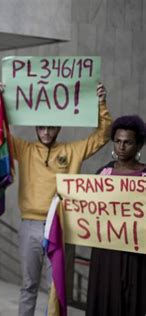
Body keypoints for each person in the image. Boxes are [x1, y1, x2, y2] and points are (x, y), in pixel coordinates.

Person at [0, 82, 112, 316]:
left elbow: (103, 135)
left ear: (59, 127)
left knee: (56, 289)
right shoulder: (25, 149)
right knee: (28, 286)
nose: (46, 132)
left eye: (52, 127)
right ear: (36, 127)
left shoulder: (73, 150)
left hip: (61, 225)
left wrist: (101, 102)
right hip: (29, 225)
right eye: (42, 127)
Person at [86, 115, 145, 316]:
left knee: (132, 300)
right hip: (106, 251)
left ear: (139, 145)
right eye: (118, 141)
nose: (121, 147)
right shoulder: (103, 173)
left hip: (136, 254)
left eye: (128, 142)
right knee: (105, 299)